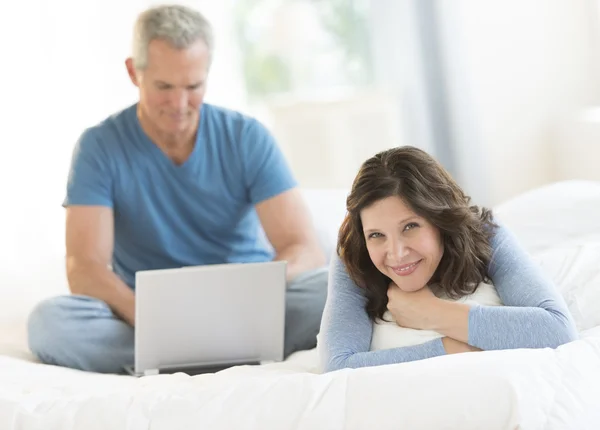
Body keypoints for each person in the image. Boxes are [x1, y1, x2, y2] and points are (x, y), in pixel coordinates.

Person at [27, 4, 328, 374]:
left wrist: (253, 297)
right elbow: (84, 266)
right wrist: (147, 315)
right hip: (144, 314)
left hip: (244, 309)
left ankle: (187, 355)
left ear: (207, 75)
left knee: (335, 290)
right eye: (164, 87)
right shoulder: (99, 147)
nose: (180, 104)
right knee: (49, 323)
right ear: (133, 72)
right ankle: (210, 353)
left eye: (193, 86)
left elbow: (304, 248)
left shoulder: (246, 137)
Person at [317, 146, 578, 372]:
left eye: (410, 227)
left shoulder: (484, 234)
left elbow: (557, 329)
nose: (396, 253)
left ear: (440, 220)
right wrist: (452, 349)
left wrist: (431, 313)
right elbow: (339, 363)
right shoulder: (354, 253)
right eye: (376, 234)